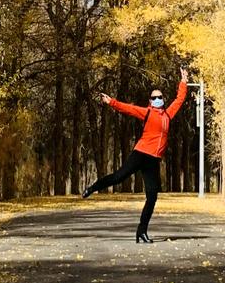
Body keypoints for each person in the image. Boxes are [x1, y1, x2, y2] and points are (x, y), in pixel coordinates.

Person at [81, 66, 189, 242]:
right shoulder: (147, 112)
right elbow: (128, 109)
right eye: (154, 97)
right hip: (140, 153)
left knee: (152, 196)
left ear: (163, 99)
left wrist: (183, 81)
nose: (157, 99)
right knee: (118, 177)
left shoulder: (168, 115)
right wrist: (111, 102)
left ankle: (141, 231)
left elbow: (180, 99)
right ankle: (92, 188)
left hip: (153, 160)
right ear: (150, 100)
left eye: (160, 97)